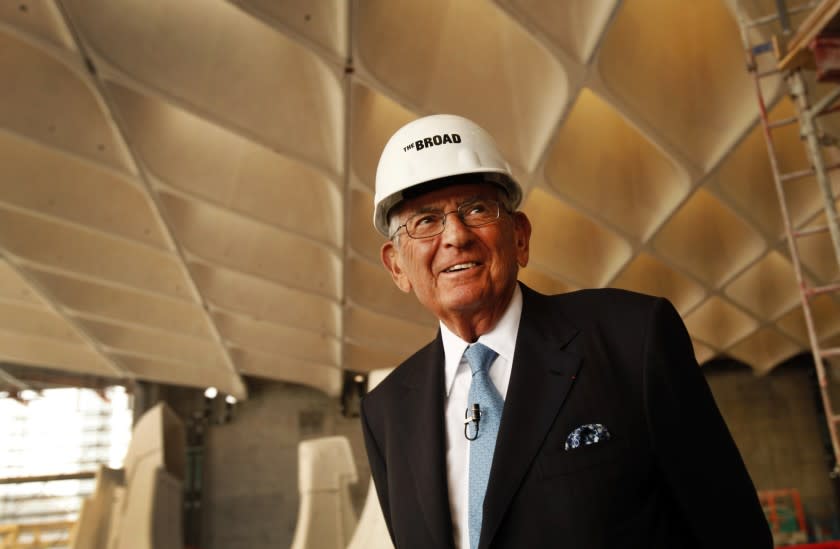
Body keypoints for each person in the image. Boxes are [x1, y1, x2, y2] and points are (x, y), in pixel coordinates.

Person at [359, 114, 772, 549]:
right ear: (397, 266)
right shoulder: (386, 413)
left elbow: (732, 530)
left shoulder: (632, 340)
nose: (456, 236)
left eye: (477, 209)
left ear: (519, 237)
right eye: (425, 221)